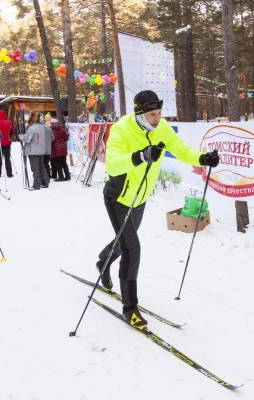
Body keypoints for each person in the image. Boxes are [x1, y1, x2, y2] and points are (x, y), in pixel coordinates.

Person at [96, 90, 220, 329]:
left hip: (139, 198)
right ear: (139, 113)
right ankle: (129, 308)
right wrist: (141, 155)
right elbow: (112, 164)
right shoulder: (122, 130)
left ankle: (104, 261)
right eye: (152, 114)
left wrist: (203, 159)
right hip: (118, 198)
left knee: (124, 243)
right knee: (132, 250)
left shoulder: (161, 127)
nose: (157, 118)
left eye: (160, 113)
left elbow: (182, 150)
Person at [19, 111, 49, 190]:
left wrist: (21, 137)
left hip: (33, 150)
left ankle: (36, 184)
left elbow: (27, 139)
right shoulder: (41, 127)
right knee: (41, 167)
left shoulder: (32, 128)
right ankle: (45, 182)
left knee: (35, 168)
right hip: (41, 149)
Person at [0, 110, 14, 178]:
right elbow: (12, 131)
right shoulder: (9, 122)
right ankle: (9, 173)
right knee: (7, 158)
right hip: (7, 142)